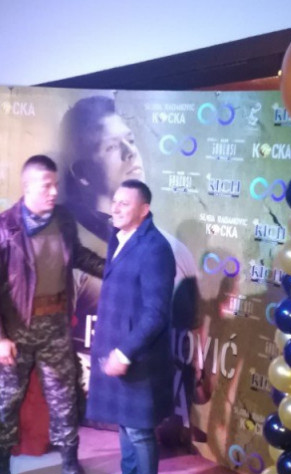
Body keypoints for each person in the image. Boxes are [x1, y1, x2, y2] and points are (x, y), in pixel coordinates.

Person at [60, 95, 198, 439]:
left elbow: (163, 318)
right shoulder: (71, 246)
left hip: (142, 376)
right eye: (111, 147)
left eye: (130, 140)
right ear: (82, 173)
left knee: (138, 437)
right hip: (100, 391)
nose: (129, 153)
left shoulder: (171, 249)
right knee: (131, 439)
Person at [0, 154, 105, 474]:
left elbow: (78, 255)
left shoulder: (64, 220)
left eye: (55, 185)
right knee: (6, 401)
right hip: (15, 331)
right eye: (47, 185)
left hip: (55, 327)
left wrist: (115, 269)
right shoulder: (0, 230)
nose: (54, 192)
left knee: (64, 400)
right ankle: (1, 467)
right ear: (27, 186)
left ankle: (70, 464)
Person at [86, 180, 175, 474]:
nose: (116, 208)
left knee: (139, 430)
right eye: (115, 201)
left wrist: (124, 353)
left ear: (144, 209)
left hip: (139, 357)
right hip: (118, 348)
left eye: (125, 203)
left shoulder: (155, 249)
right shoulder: (119, 236)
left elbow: (156, 314)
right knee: (125, 423)